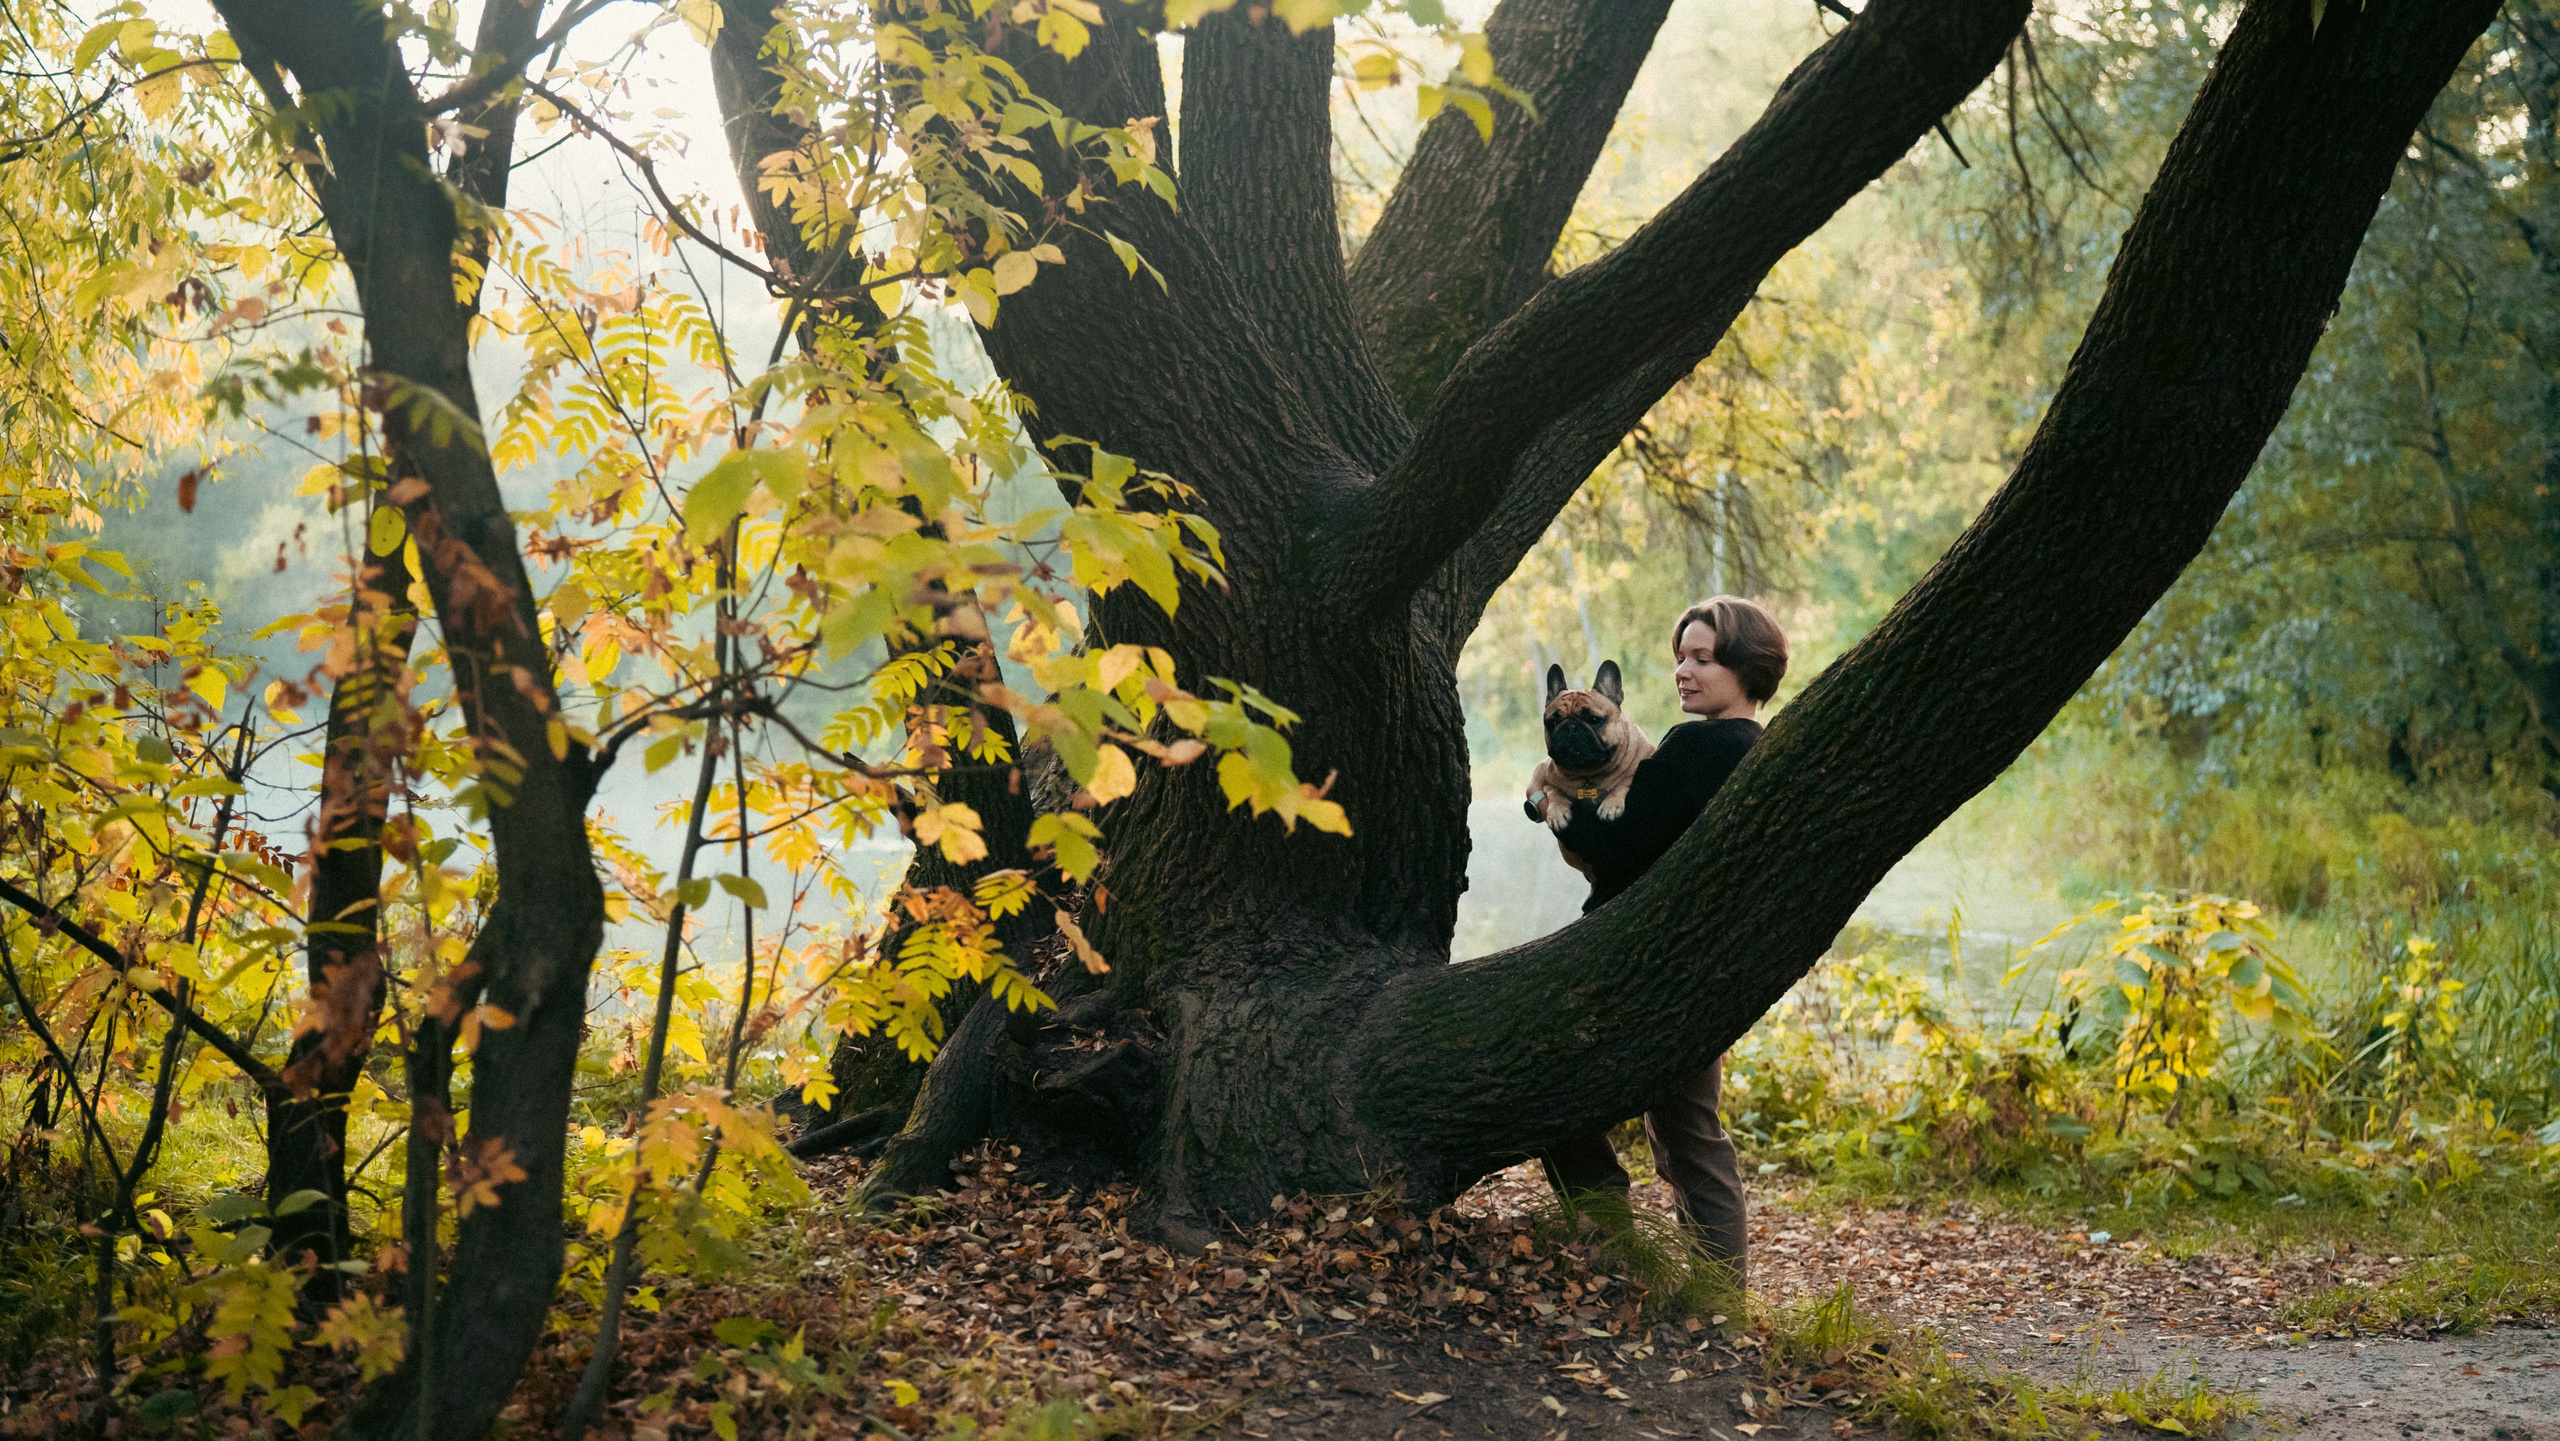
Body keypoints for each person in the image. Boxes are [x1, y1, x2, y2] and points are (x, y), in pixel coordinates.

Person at [1536, 594, 1789, 1281]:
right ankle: (1709, 1292)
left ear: (1748, 666)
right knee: (1687, 1132)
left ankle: (1617, 1248)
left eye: (1703, 658)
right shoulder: (1754, 747)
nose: (1683, 670)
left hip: (1641, 966)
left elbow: (1615, 846)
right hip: (1697, 969)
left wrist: (1552, 806)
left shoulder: (1700, 746)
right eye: (1680, 655)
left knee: (1547, 1089)